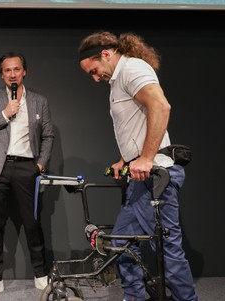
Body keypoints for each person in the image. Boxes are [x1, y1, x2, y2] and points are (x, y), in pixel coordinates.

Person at [77, 31, 198, 301]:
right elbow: (137, 125)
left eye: (95, 71)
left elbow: (161, 106)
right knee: (121, 243)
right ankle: (135, 297)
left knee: (168, 251)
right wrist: (127, 160)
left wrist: (145, 158)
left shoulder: (132, 68)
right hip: (140, 180)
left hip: (156, 178)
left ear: (106, 54)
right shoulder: (118, 79)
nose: (96, 78)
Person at [0, 52, 54, 297]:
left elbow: (48, 135)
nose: (12, 74)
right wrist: (4, 114)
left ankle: (40, 275)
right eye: (7, 70)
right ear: (2, 74)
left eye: (16, 69)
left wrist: (40, 164)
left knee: (33, 224)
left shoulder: (39, 101)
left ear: (24, 72)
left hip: (26, 167)